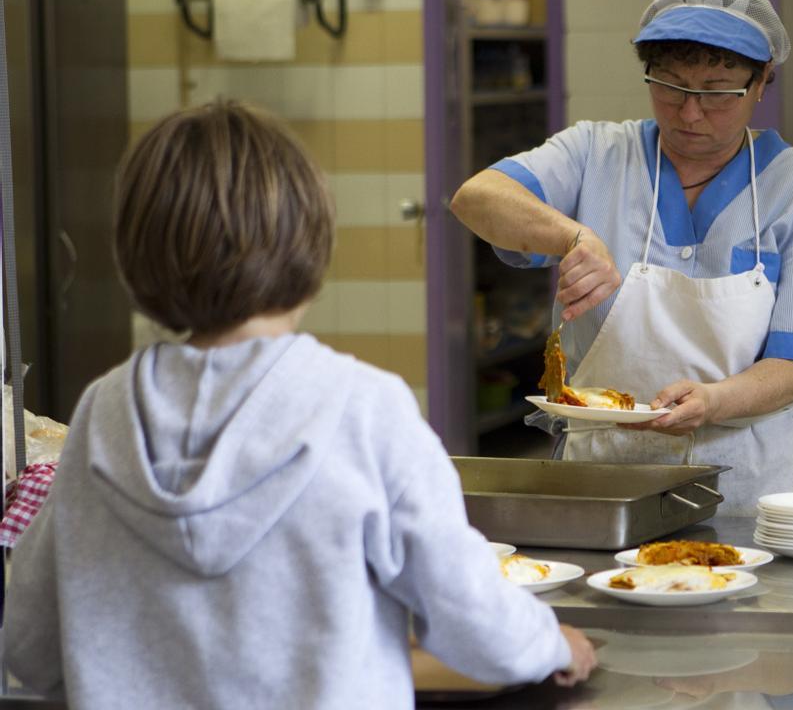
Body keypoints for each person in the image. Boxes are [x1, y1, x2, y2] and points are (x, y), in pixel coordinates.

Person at [5, 99, 596, 709]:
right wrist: (551, 643)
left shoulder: (106, 412)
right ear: (310, 244)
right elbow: (471, 618)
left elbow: (30, 644)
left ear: (133, 254)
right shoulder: (364, 408)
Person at [450, 0, 793, 515]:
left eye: (718, 93)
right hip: (604, 486)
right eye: (671, 87)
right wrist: (573, 237)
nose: (690, 113)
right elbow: (477, 197)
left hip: (750, 491)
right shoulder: (597, 154)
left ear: (762, 83)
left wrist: (715, 401)